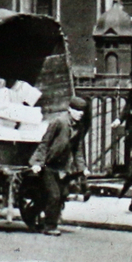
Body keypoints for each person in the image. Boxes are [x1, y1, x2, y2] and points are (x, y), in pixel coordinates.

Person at [28, 94, 88, 236]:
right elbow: (45, 143)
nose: (81, 114)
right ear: (69, 109)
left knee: (62, 194)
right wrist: (37, 162)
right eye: (78, 110)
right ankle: (50, 227)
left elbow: (78, 150)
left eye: (82, 111)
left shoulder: (78, 127)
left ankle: (36, 215)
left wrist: (82, 168)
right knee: (54, 195)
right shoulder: (59, 122)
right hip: (48, 165)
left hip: (62, 167)